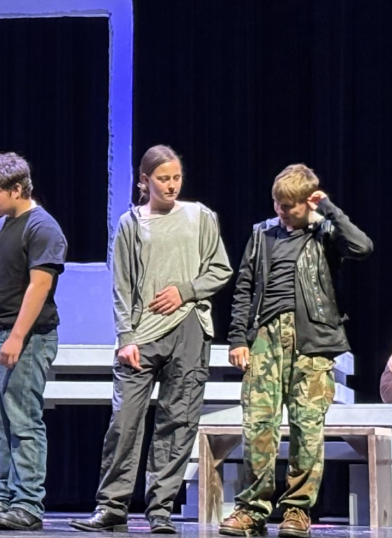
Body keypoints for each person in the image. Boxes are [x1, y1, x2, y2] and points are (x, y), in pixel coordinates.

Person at [70, 145, 232, 534]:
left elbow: (220, 268)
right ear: (145, 180)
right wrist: (125, 336)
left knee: (177, 421)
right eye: (163, 179)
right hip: (142, 334)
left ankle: (160, 509)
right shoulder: (131, 223)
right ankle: (112, 505)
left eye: (176, 177)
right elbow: (122, 285)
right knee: (124, 421)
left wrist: (186, 291)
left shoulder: (200, 216)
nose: (171, 185)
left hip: (189, 328)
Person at [221, 164, 372, 538]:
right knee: (258, 425)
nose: (282, 211)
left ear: (308, 202)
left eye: (289, 205)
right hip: (266, 338)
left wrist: (329, 209)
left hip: (313, 340)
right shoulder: (262, 235)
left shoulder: (325, 232)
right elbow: (244, 288)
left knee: (307, 427)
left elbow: (362, 247)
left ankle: (297, 510)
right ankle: (252, 510)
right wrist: (238, 339)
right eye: (278, 203)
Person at [0, 152, 67, 532]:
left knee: (23, 422)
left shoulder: (42, 227)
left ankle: (27, 503)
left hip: (28, 338)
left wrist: (17, 337)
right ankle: (1, 499)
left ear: (18, 189)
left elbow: (40, 286)